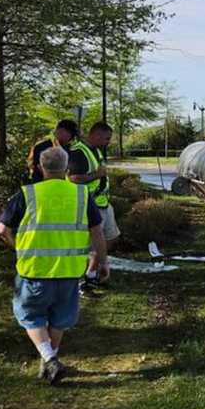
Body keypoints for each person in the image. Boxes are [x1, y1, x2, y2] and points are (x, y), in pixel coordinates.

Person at [0, 146, 108, 384]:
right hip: (69, 271)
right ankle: (49, 363)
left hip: (34, 269)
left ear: (39, 168)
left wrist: (18, 247)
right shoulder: (81, 195)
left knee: (31, 316)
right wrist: (102, 261)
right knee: (59, 319)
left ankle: (49, 358)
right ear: (66, 168)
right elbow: (97, 232)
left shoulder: (27, 194)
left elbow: (2, 230)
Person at [67, 121, 119, 293]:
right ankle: (84, 279)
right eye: (106, 138)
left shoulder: (96, 150)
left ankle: (91, 272)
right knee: (91, 243)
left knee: (110, 238)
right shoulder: (78, 152)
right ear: (95, 135)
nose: (108, 142)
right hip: (89, 205)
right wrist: (97, 174)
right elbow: (73, 178)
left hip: (103, 204)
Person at [27, 119, 79, 183]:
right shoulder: (42, 147)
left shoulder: (69, 147)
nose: (72, 139)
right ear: (60, 131)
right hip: (42, 185)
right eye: (71, 135)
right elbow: (41, 169)